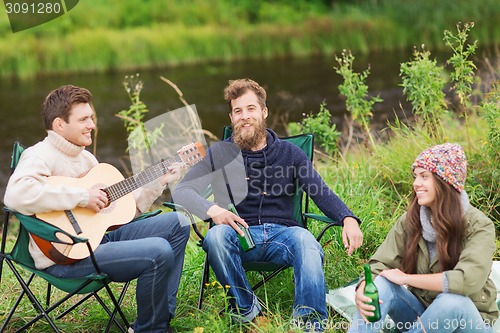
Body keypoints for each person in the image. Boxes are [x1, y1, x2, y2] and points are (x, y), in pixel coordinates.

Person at [172, 78, 363, 331]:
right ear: (231, 117)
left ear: (264, 112)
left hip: (283, 234)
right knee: (216, 236)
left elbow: (320, 191)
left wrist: (348, 218)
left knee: (306, 241)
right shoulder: (219, 153)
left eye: (251, 109)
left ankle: (308, 324)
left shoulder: (290, 153)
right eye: (238, 111)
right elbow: (182, 191)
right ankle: (248, 313)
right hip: (238, 235)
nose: (245, 116)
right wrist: (213, 210)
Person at [4, 85, 191, 333]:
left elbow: (122, 214)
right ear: (59, 125)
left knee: (177, 222)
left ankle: (160, 317)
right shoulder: (38, 156)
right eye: (83, 119)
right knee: (158, 250)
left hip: (97, 241)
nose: (91, 124)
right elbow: (15, 195)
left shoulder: (86, 160)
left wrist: (160, 181)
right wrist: (82, 197)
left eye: (91, 117)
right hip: (66, 256)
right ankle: (151, 330)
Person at [348, 143, 498, 333]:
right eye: (415, 176)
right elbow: (380, 265)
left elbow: (466, 281)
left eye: (424, 176)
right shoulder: (411, 220)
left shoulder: (479, 226)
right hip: (424, 317)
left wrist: (407, 278)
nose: (415, 183)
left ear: (446, 182)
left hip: (468, 322)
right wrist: (363, 287)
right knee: (382, 284)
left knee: (452, 301)